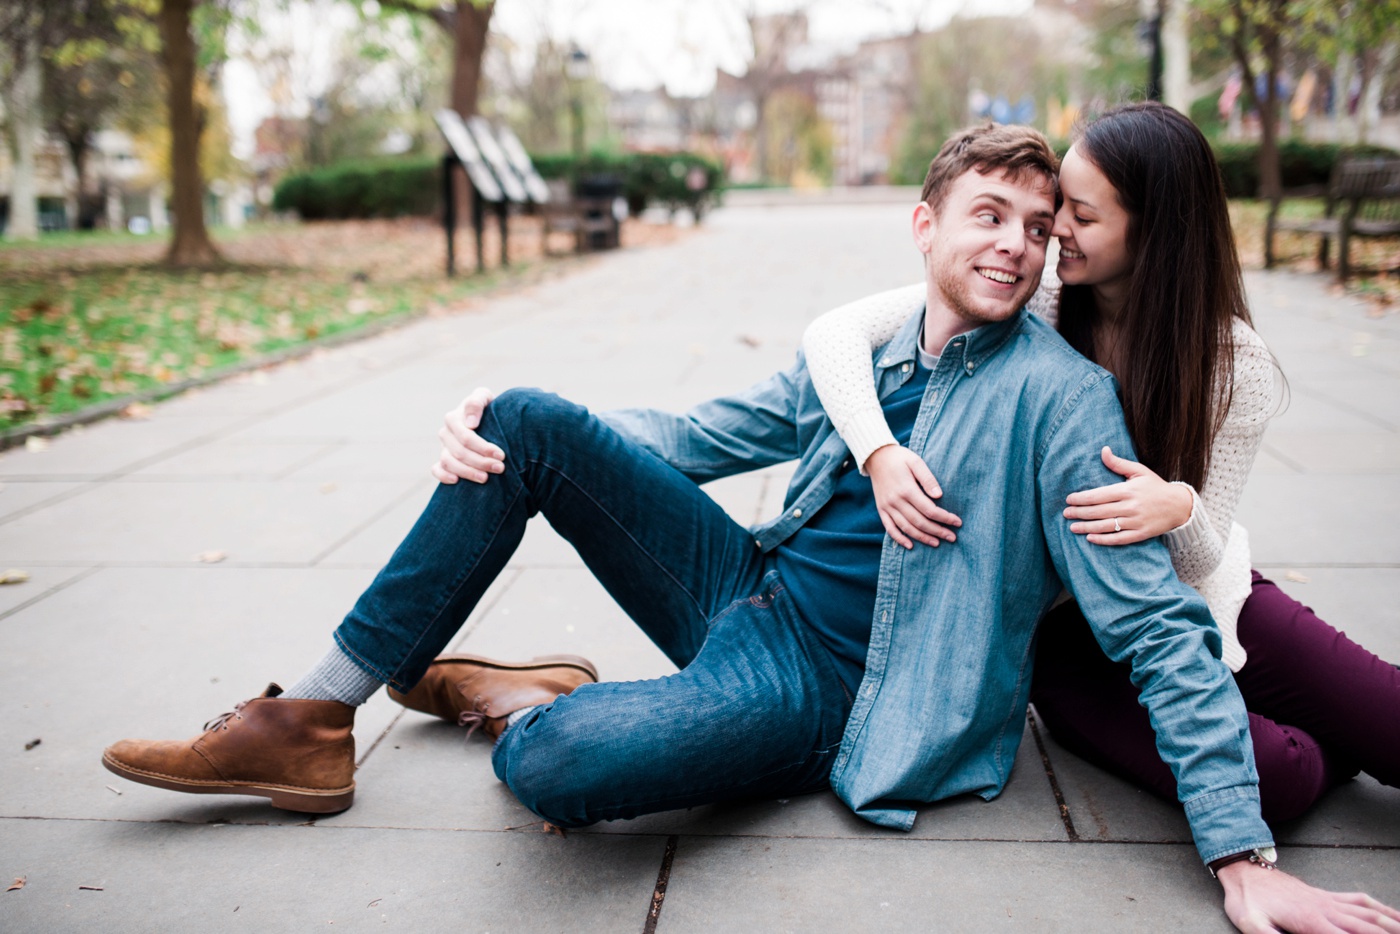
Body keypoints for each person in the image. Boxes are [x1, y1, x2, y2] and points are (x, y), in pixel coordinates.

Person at [102, 123, 1399, 933]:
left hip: (829, 676)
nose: (1017, 249)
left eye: (1041, 227)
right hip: (740, 578)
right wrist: (505, 435)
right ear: (927, 228)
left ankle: (525, 698)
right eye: (989, 218)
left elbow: (1159, 626)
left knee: (552, 768)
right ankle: (315, 716)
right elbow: (703, 434)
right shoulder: (879, 347)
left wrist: (1240, 857)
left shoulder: (1062, 402)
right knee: (528, 412)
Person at [799, 101, 1400, 827]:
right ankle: (1329, 751)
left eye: (1076, 218)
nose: (1049, 238)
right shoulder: (1039, 303)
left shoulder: (1233, 365)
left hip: (1198, 590)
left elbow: (1201, 562)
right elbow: (835, 333)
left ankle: (1324, 723)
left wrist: (1180, 506)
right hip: (1068, 642)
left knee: (1384, 714)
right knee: (1276, 775)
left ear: (1151, 230)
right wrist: (879, 451)